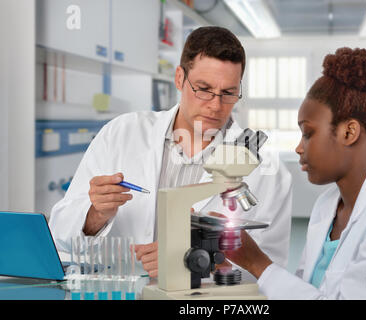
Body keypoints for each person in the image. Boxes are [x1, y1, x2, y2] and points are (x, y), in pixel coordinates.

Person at [48, 26, 292, 278]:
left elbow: (270, 274)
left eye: (228, 93)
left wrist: (200, 264)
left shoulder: (267, 172)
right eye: (203, 88)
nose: (215, 105)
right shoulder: (121, 133)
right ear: (179, 78)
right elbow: (60, 234)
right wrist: (95, 215)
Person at [224, 47, 366, 299]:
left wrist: (257, 263)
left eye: (308, 134)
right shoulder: (327, 205)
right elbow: (305, 290)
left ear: (349, 133)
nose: (299, 148)